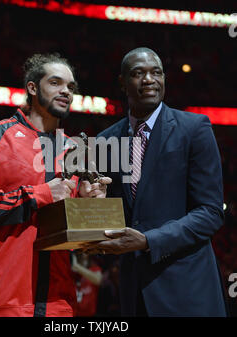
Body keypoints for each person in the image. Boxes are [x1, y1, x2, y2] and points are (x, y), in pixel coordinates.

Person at [0, 53, 111, 317]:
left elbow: (81, 238)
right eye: (56, 83)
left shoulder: (75, 149)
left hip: (59, 304)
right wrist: (41, 194)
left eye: (71, 87)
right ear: (32, 87)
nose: (66, 91)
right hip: (3, 300)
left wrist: (88, 204)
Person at [84, 47, 228, 317]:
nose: (149, 79)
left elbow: (210, 213)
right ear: (123, 83)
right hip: (134, 291)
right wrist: (93, 203)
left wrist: (148, 240)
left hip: (188, 289)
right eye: (138, 73)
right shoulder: (105, 140)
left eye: (156, 72)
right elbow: (109, 211)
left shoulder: (194, 128)